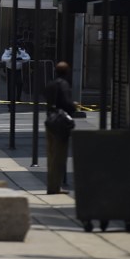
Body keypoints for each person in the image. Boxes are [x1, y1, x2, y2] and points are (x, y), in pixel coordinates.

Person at [44, 61, 77, 194]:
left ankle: (52, 185)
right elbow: (67, 104)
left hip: (50, 121)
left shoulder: (51, 84)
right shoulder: (63, 84)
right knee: (59, 156)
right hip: (60, 123)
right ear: (67, 72)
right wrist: (74, 106)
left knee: (51, 155)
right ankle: (55, 187)